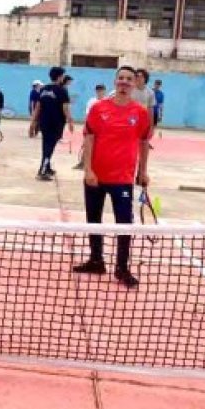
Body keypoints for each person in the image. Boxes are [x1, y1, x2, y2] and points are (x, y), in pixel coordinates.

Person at [72, 66, 151, 289]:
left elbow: (144, 143)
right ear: (115, 82)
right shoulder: (98, 109)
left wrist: (142, 171)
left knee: (124, 225)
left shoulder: (141, 112)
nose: (124, 82)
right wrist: (88, 170)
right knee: (93, 220)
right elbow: (88, 139)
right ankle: (96, 261)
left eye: (129, 79)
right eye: (121, 78)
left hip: (123, 179)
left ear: (135, 84)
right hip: (96, 176)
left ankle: (122, 268)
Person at [29, 67, 74, 181]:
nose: (64, 77)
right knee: (49, 147)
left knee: (46, 145)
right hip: (56, 123)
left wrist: (33, 123)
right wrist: (70, 121)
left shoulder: (44, 89)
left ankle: (47, 168)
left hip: (44, 122)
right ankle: (42, 171)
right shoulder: (62, 90)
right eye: (63, 75)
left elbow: (38, 107)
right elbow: (65, 108)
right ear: (59, 77)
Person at [73, 84, 107, 170]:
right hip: (92, 126)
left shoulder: (107, 101)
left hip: (103, 128)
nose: (100, 93)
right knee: (87, 145)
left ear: (104, 91)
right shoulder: (92, 101)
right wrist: (87, 126)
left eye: (102, 91)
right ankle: (82, 163)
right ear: (96, 91)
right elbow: (88, 115)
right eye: (98, 91)